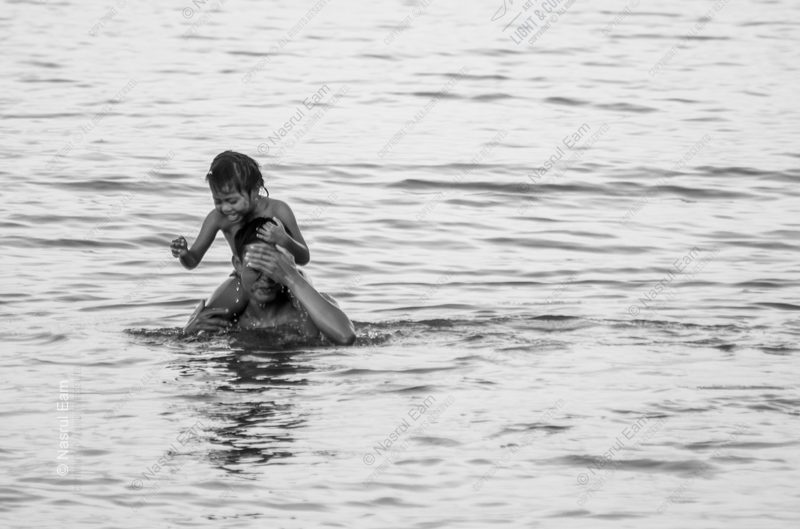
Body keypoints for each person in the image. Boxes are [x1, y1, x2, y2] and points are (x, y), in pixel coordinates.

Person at [170, 151, 310, 311]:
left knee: (305, 309)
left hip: (285, 274)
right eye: (218, 201)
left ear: (256, 189)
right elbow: (193, 261)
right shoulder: (217, 218)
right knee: (209, 313)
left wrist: (284, 240)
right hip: (246, 278)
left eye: (232, 201)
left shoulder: (278, 210)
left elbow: (304, 257)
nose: (225, 208)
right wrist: (184, 254)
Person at [183, 217, 356, 346]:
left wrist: (292, 278)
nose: (266, 278)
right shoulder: (232, 303)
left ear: (289, 266)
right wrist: (188, 332)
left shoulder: (304, 307)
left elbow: (346, 337)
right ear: (238, 265)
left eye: (274, 268)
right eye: (256, 269)